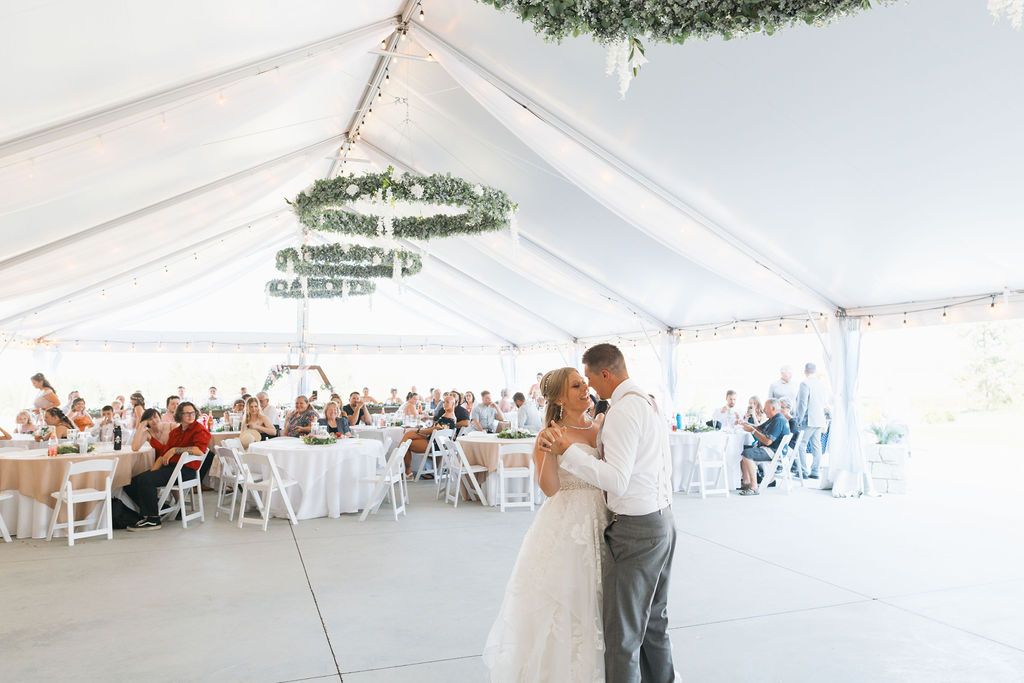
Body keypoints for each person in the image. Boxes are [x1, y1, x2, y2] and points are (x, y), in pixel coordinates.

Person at [538, 343, 677, 682]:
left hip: (635, 530)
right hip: (659, 519)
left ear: (605, 374)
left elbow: (616, 479)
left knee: (622, 636)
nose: (588, 387)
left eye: (588, 379)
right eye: (578, 383)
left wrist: (570, 451)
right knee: (653, 622)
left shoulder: (623, 412)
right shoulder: (646, 402)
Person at [484, 365, 608, 681]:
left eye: (584, 384)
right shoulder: (549, 434)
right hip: (568, 521)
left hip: (604, 518)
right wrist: (546, 453)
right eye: (576, 387)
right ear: (560, 399)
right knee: (566, 599)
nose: (585, 390)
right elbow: (550, 488)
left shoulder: (600, 426)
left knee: (602, 600)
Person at [123, 402, 210, 531]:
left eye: (192, 412)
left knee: (146, 480)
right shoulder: (176, 432)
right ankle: (159, 509)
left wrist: (175, 450)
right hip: (170, 468)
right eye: (186, 413)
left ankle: (153, 519)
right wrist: (151, 472)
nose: (190, 415)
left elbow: (199, 451)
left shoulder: (199, 429)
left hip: (185, 471)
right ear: (180, 415)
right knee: (131, 483)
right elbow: (163, 455)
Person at [399, 393, 469, 478]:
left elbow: (434, 430)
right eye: (444, 402)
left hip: (435, 444)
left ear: (453, 404)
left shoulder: (450, 418)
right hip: (432, 440)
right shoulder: (446, 414)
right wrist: (419, 431)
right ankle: (405, 470)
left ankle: (401, 467)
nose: (445, 404)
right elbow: (434, 429)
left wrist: (419, 431)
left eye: (447, 402)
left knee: (407, 443)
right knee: (408, 435)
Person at [737, 398, 791, 495]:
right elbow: (758, 428)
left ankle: (753, 487)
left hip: (774, 451)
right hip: (772, 449)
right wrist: (745, 424)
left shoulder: (778, 420)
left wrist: (752, 431)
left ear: (773, 408)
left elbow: (767, 441)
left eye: (766, 408)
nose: (764, 410)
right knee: (745, 451)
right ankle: (746, 482)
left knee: (747, 453)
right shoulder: (773, 418)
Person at [795, 361, 827, 479]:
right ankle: (815, 471)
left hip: (809, 419)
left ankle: (803, 471)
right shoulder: (821, 384)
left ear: (805, 371)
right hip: (820, 419)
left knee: (801, 444)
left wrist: (799, 419)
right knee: (816, 445)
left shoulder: (804, 383)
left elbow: (802, 404)